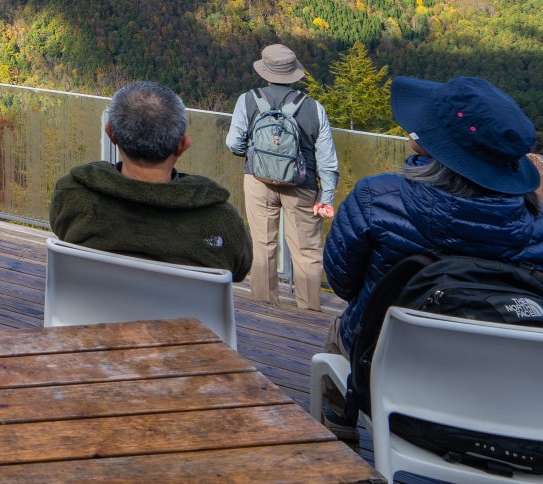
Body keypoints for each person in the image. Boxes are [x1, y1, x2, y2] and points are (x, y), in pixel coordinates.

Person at [323, 75, 543, 360]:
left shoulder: (376, 199)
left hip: (385, 362)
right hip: (501, 373)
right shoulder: (542, 226)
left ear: (435, 143)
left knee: (339, 333)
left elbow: (342, 282)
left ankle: (336, 404)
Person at [50, 81, 252, 278]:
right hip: (186, 313)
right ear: (183, 145)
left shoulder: (72, 194)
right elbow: (240, 269)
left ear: (110, 133)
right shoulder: (222, 221)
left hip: (91, 312)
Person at [226, 43, 339, 311]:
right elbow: (327, 160)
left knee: (263, 246)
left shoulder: (248, 99)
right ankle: (309, 312)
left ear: (265, 72)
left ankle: (264, 311)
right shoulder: (314, 108)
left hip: (258, 181)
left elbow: (234, 144)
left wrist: (256, 158)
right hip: (302, 185)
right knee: (307, 252)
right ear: (294, 74)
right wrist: (326, 197)